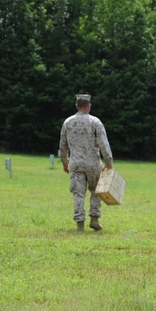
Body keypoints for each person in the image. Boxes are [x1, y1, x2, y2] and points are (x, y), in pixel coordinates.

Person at [58, 94, 114, 231]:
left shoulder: (67, 122)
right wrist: (109, 163)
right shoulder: (95, 122)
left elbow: (63, 146)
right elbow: (104, 145)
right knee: (96, 191)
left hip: (75, 164)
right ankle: (94, 219)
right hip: (93, 164)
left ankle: (79, 224)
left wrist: (65, 162)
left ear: (77, 106)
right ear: (89, 106)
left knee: (78, 194)